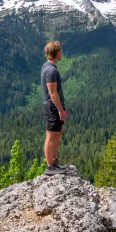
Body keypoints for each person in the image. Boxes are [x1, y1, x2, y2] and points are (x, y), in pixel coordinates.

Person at [41, 41, 71, 175]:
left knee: (56, 134)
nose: (61, 53)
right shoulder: (51, 70)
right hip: (52, 108)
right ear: (57, 52)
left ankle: (53, 162)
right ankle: (50, 167)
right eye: (60, 51)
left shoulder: (48, 67)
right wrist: (60, 110)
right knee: (51, 136)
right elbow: (53, 93)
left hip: (53, 108)